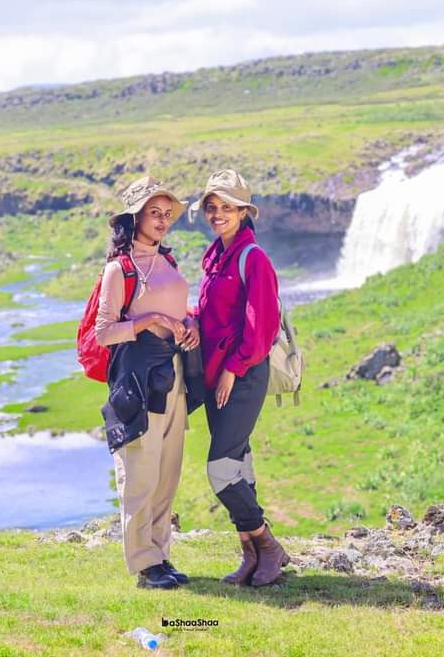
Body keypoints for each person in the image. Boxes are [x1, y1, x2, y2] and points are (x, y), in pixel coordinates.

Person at [95, 175, 201, 590]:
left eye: (166, 214)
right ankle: (143, 562)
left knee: (167, 470)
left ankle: (161, 554)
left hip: (172, 375)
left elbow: (176, 307)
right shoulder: (117, 270)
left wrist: (188, 323)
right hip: (138, 380)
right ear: (134, 218)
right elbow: (104, 333)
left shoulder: (169, 263)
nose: (162, 220)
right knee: (140, 469)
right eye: (154, 213)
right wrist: (149, 321)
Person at [189, 168, 289, 587]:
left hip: (243, 376)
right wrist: (190, 321)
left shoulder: (254, 258)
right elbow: (214, 315)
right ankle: (250, 555)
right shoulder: (214, 255)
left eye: (226, 207)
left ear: (244, 212)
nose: (217, 214)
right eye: (212, 208)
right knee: (240, 464)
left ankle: (268, 545)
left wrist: (233, 368)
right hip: (218, 377)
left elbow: (261, 328)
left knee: (220, 468)